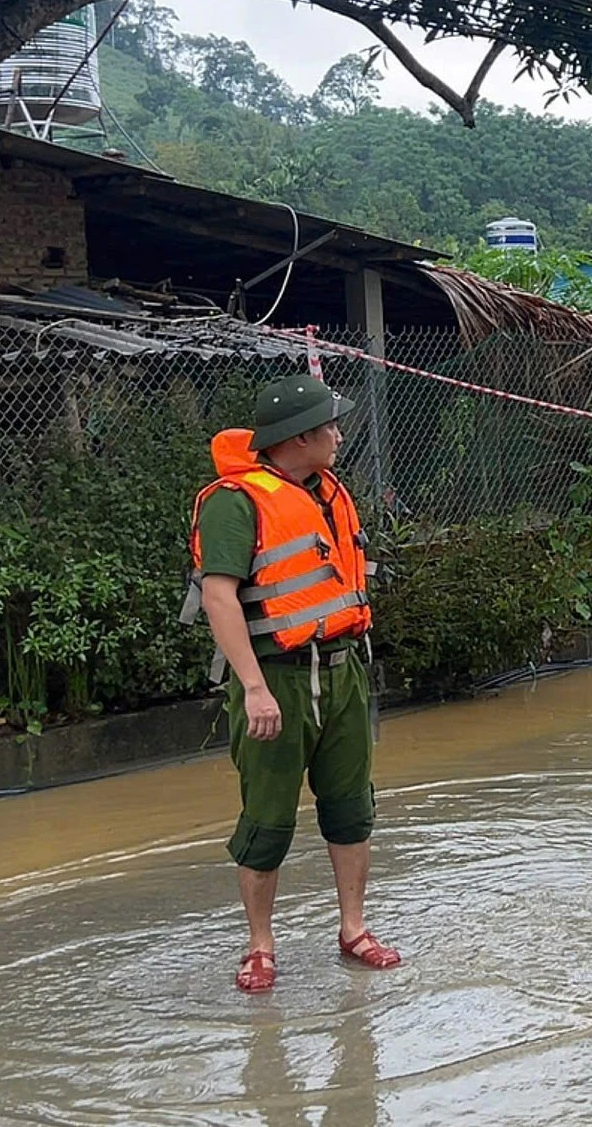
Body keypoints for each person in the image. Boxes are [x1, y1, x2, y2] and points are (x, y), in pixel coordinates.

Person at [184, 373, 400, 992]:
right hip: (274, 677)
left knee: (351, 804)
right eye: (329, 425)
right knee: (268, 817)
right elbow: (220, 598)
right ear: (300, 437)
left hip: (342, 668)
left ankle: (354, 929)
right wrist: (252, 687)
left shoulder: (327, 491)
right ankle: (259, 944)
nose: (337, 433)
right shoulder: (235, 502)